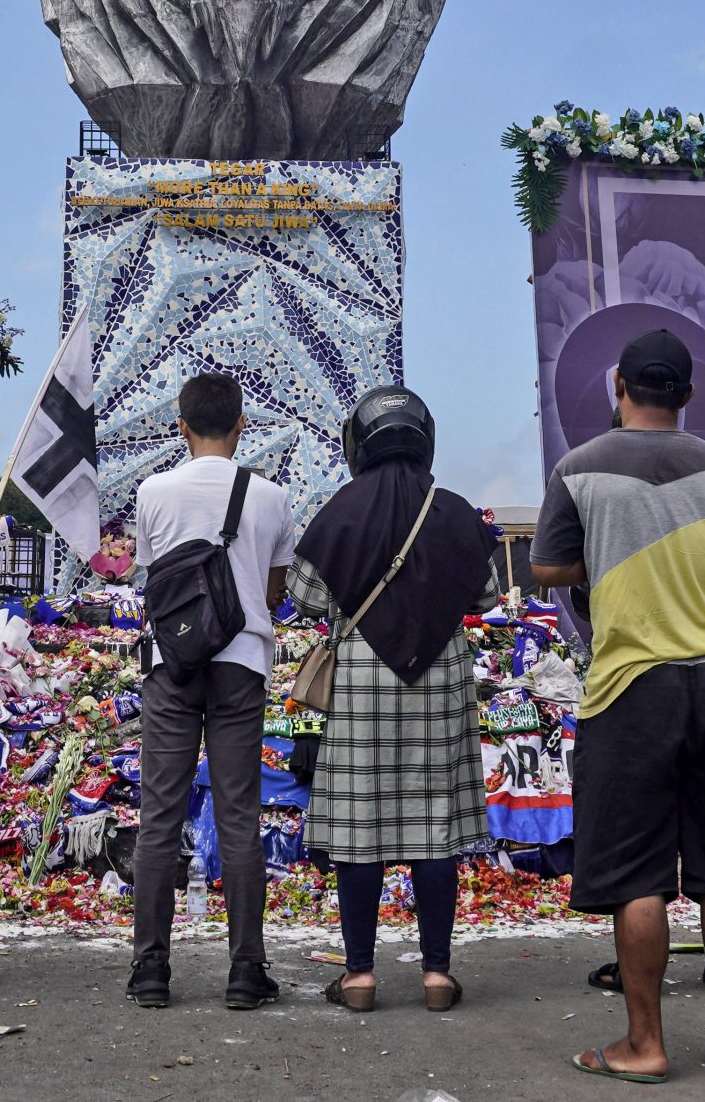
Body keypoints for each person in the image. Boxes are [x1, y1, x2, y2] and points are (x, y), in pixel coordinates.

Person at [528, 328, 705, 1083]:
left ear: (619, 386)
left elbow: (547, 566)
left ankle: (645, 1044)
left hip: (630, 687)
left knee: (638, 874)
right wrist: (694, 557)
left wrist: (618, 552)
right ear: (688, 394)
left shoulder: (579, 468)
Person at [288, 386, 498, 1014]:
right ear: (424, 438)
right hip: (440, 677)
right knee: (435, 828)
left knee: (360, 827)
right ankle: (437, 976)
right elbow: (486, 595)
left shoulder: (341, 509)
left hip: (361, 676)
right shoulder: (453, 510)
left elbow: (305, 596)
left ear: (360, 444)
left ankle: (358, 976)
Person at [127, 371, 296, 1012]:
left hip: (170, 665)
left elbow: (156, 579)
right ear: (242, 425)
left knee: (159, 815)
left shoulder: (152, 491)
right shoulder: (272, 497)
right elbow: (273, 591)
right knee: (238, 815)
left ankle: (150, 969)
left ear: (181, 426)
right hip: (241, 664)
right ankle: (246, 970)